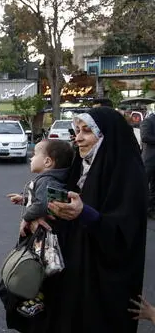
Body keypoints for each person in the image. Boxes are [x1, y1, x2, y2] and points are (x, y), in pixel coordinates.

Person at [17, 107, 147, 333]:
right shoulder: (80, 165)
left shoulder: (128, 173)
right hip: (71, 270)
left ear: (107, 135)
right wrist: (36, 215)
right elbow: (54, 199)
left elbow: (125, 233)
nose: (78, 138)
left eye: (86, 131)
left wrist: (85, 213)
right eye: (76, 131)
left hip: (102, 279)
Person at [7, 139, 74, 318]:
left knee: (38, 267)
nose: (31, 157)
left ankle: (36, 301)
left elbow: (43, 203)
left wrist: (26, 217)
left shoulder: (47, 179)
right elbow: (42, 198)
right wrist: (24, 199)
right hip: (46, 234)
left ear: (48, 162)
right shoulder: (52, 179)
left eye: (35, 154)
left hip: (43, 237)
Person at [140, 112, 155, 218]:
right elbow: (145, 137)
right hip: (149, 159)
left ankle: (151, 209)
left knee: (154, 187)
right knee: (143, 185)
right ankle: (137, 208)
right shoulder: (148, 121)